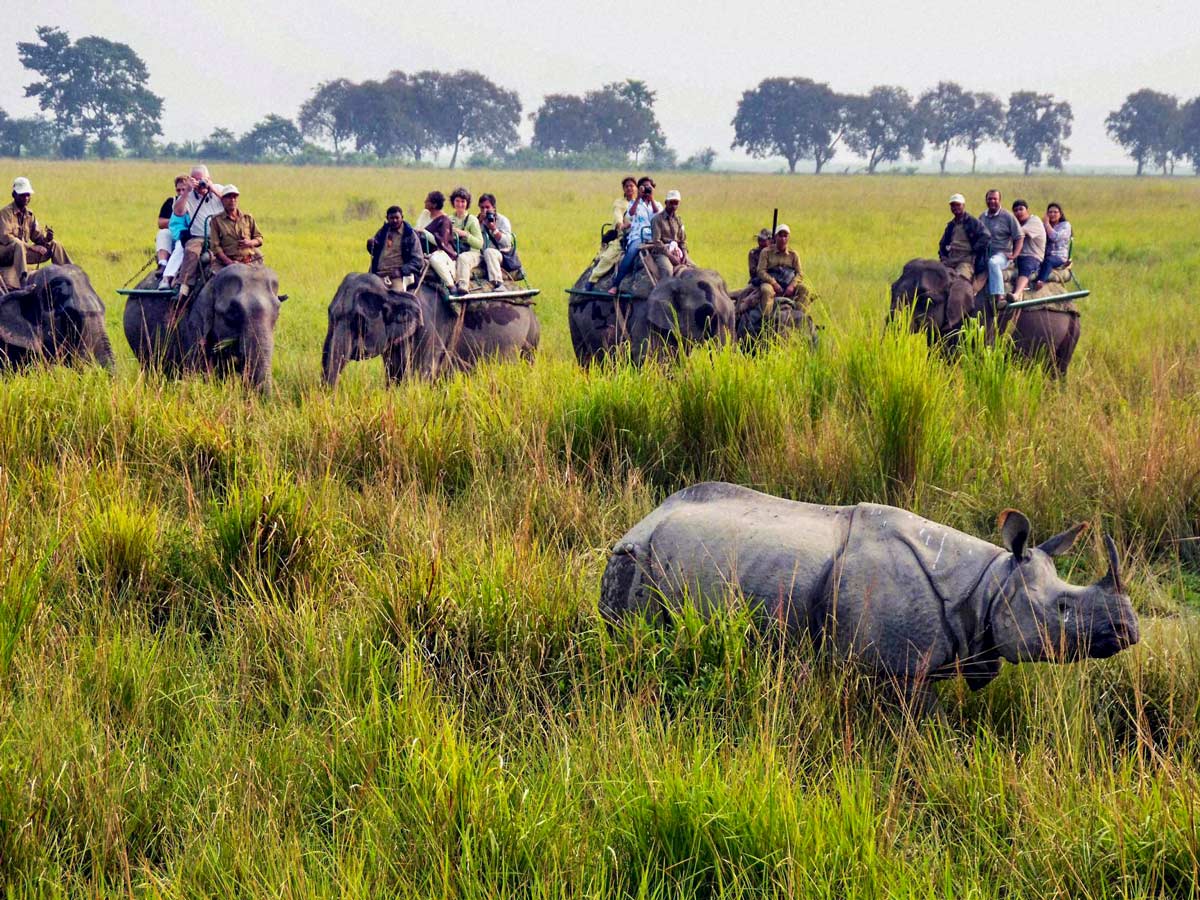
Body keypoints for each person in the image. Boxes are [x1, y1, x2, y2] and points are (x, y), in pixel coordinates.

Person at [0, 177, 72, 288]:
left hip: (22, 254)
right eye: (22, 195)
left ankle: (71, 273)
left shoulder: (29, 215)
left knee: (54, 244)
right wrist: (31, 248)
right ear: (14, 195)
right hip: (6, 254)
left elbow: (37, 236)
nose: (26, 198)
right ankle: (23, 282)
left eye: (28, 195)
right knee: (18, 244)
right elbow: (6, 237)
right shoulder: (5, 213)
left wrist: (46, 239)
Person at [173, 165, 226, 300]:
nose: (200, 183)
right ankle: (184, 286)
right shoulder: (188, 195)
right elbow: (178, 212)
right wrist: (187, 191)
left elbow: (230, 203)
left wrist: (211, 188)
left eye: (202, 180)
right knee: (191, 251)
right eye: (196, 180)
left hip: (222, 235)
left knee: (251, 253)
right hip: (199, 236)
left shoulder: (219, 189)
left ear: (209, 179)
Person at [609, 176, 662, 294]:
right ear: (639, 189)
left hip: (654, 236)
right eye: (644, 187)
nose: (646, 190)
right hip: (638, 236)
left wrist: (651, 198)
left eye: (649, 187)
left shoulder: (657, 204)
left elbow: (658, 216)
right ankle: (616, 284)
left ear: (653, 188)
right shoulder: (634, 203)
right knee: (631, 253)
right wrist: (638, 197)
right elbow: (631, 214)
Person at [587, 176, 637, 289]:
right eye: (627, 186)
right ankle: (592, 279)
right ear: (623, 189)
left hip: (641, 236)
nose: (629, 188)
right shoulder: (619, 203)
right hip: (623, 236)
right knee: (607, 258)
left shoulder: (641, 202)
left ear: (636, 188)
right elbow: (618, 217)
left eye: (632, 186)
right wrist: (622, 225)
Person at [977, 188, 1024, 307]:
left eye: (995, 199)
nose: (992, 201)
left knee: (993, 263)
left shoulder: (1008, 216)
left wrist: (1014, 255)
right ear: (986, 200)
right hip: (985, 254)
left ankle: (1000, 296)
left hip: (1002, 255)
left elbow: (1019, 237)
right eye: (989, 199)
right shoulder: (982, 217)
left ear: (999, 200)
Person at [208, 185, 264, 272]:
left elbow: (259, 238)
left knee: (265, 280)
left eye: (234, 197)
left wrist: (250, 242)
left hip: (249, 261)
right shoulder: (216, 221)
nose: (232, 200)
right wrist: (229, 262)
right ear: (222, 200)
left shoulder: (247, 218)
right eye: (229, 197)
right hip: (225, 263)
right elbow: (215, 247)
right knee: (215, 281)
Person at [755, 224, 808, 316]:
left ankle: (800, 317)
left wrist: (792, 286)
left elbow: (800, 273)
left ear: (788, 238)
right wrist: (774, 283)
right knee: (766, 290)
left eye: (785, 236)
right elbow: (761, 271)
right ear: (775, 237)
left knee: (804, 289)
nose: (783, 239)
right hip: (771, 283)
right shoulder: (766, 252)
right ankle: (766, 319)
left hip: (788, 283)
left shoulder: (793, 254)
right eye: (780, 235)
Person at [367, 205, 424, 290]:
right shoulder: (383, 232)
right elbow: (374, 252)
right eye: (391, 218)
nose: (394, 220)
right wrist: (370, 245)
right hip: (378, 275)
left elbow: (418, 261)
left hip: (397, 277)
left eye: (397, 218)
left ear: (402, 217)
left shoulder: (409, 235)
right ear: (387, 218)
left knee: (397, 298)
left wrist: (401, 271)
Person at [937, 193, 989, 281]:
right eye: (953, 205)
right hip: (951, 259)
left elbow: (986, 236)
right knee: (937, 277)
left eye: (958, 205)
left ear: (963, 205)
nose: (955, 208)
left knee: (959, 280)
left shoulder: (972, 222)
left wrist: (974, 250)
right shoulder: (951, 225)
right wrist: (943, 257)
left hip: (966, 260)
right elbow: (942, 244)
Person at [416, 190, 458, 291]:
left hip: (441, 252)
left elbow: (441, 242)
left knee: (434, 259)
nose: (425, 202)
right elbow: (417, 229)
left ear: (434, 205)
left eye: (427, 200)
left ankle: (451, 285)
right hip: (423, 250)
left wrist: (425, 233)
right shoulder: (425, 213)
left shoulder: (444, 221)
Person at [445, 186, 483, 295]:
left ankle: (462, 285)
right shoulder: (449, 219)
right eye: (457, 201)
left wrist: (465, 235)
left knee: (463, 258)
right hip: (453, 251)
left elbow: (479, 244)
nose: (460, 204)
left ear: (467, 203)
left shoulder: (472, 220)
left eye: (463, 201)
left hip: (472, 253)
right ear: (453, 202)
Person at [646, 189, 688, 280]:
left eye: (676, 203)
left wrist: (685, 254)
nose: (673, 206)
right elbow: (657, 242)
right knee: (668, 272)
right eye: (671, 203)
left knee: (694, 270)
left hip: (677, 250)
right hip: (662, 252)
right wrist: (671, 256)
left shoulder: (679, 220)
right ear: (666, 202)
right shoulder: (657, 219)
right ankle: (665, 293)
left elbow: (683, 240)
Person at [478, 193, 518, 288]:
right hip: (481, 254)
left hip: (500, 254)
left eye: (487, 207)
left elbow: (506, 242)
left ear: (494, 208)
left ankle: (497, 283)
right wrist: (479, 223)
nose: (485, 210)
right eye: (482, 208)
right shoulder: (476, 220)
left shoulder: (502, 220)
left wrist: (494, 229)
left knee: (489, 252)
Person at [1032, 203, 1072, 290]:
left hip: (1059, 256)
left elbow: (1055, 237)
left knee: (1048, 261)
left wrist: (1046, 223)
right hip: (1044, 254)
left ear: (1060, 214)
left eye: (1055, 212)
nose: (1052, 214)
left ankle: (1040, 281)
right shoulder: (1043, 226)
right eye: (1050, 212)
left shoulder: (1065, 225)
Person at [1010, 199, 1045, 300]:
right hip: (1017, 256)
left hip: (1032, 255)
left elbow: (1020, 233)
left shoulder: (1034, 221)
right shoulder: (1016, 224)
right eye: (1015, 210)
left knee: (1026, 267)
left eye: (1021, 209)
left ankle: (1016, 294)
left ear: (1027, 210)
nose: (1018, 212)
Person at [155, 175, 188, 279]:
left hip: (188, 237)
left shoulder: (194, 202)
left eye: (184, 189)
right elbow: (161, 223)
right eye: (178, 190)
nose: (181, 193)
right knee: (163, 233)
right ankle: (163, 264)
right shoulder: (171, 202)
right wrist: (176, 221)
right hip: (174, 235)